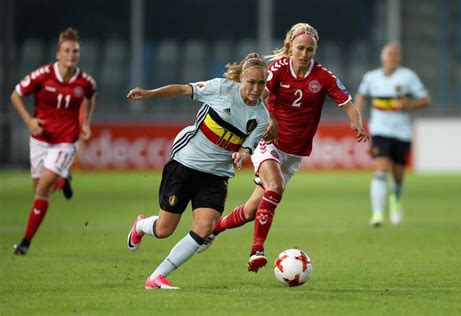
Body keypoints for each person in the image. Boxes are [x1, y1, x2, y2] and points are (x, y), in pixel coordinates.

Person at [197, 23, 369, 272]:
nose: (304, 54)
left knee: (250, 211)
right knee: (275, 187)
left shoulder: (323, 76)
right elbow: (258, 97)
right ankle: (257, 250)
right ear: (291, 47)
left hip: (295, 153)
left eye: (310, 50)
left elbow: (347, 103)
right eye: (300, 48)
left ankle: (214, 230)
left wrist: (356, 121)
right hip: (269, 144)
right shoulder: (277, 69)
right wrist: (270, 119)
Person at [126, 53, 269, 289]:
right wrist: (150, 94)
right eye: (251, 82)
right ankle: (141, 225)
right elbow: (183, 89)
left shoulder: (261, 116)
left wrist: (242, 154)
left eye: (261, 83)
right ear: (240, 79)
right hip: (186, 162)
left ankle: (156, 277)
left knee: (205, 226)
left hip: (216, 174)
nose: (255, 88)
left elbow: (247, 147)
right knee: (164, 229)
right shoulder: (221, 89)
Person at [11, 27, 96, 255]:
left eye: (75, 51)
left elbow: (90, 96)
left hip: (66, 141)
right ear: (58, 53)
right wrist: (29, 121)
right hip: (39, 139)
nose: (71, 55)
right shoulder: (43, 75)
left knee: (41, 189)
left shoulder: (85, 81)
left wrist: (85, 123)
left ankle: (25, 243)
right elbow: (16, 94)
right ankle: (63, 179)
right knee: (39, 189)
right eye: (67, 50)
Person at [354, 42, 430, 227]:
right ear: (382, 57)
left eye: (396, 55)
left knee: (397, 174)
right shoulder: (371, 77)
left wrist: (409, 105)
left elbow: (425, 99)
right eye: (389, 55)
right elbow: (361, 95)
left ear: (399, 59)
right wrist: (357, 118)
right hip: (380, 130)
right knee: (380, 169)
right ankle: (378, 213)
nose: (392, 58)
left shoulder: (408, 77)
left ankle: (395, 199)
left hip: (402, 132)